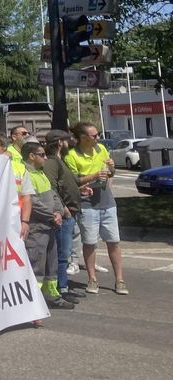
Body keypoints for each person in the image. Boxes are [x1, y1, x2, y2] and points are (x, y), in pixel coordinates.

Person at [64, 121, 125, 295]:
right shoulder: (72, 155)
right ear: (83, 137)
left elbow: (110, 173)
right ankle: (92, 278)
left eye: (97, 134)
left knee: (114, 241)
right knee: (90, 242)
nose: (98, 137)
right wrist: (94, 175)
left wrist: (112, 169)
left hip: (107, 201)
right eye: (94, 135)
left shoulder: (101, 150)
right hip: (87, 203)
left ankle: (119, 280)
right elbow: (73, 180)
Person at [19, 142, 75, 310]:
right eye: (42, 155)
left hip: (50, 225)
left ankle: (51, 295)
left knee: (51, 263)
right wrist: (52, 215)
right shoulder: (25, 173)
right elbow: (33, 203)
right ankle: (33, 302)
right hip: (37, 228)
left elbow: (53, 195)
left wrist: (58, 212)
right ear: (31, 156)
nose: (45, 158)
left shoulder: (40, 173)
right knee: (37, 264)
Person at [42, 130, 86, 301]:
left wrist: (80, 190)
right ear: (60, 142)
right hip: (64, 214)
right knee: (61, 254)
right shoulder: (52, 162)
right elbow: (51, 187)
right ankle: (61, 288)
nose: (71, 142)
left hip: (70, 212)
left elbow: (63, 185)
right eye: (68, 140)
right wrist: (63, 208)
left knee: (64, 254)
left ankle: (64, 286)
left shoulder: (60, 160)